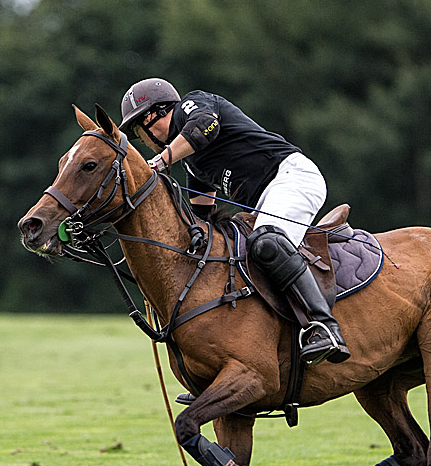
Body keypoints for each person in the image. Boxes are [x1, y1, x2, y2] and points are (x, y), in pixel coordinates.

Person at [120, 78, 350, 364]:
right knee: (237, 257)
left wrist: (161, 162)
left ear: (151, 116)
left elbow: (205, 125)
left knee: (267, 243)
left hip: (292, 176)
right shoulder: (192, 162)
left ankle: (325, 328)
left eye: (137, 130)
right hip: (267, 198)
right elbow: (202, 212)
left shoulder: (191, 106)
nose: (141, 140)